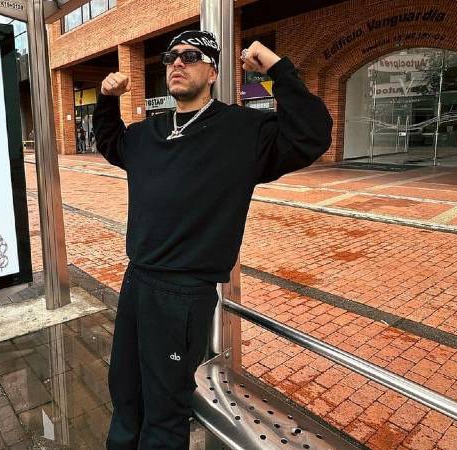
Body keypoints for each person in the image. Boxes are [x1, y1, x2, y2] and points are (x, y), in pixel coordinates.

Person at [93, 30, 333, 449]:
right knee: (125, 389)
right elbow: (112, 144)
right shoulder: (150, 131)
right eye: (171, 58)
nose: (177, 64)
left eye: (190, 56)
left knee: (165, 406)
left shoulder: (244, 130)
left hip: (184, 292)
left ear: (213, 71)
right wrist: (106, 99)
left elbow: (312, 133)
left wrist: (276, 69)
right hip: (138, 280)